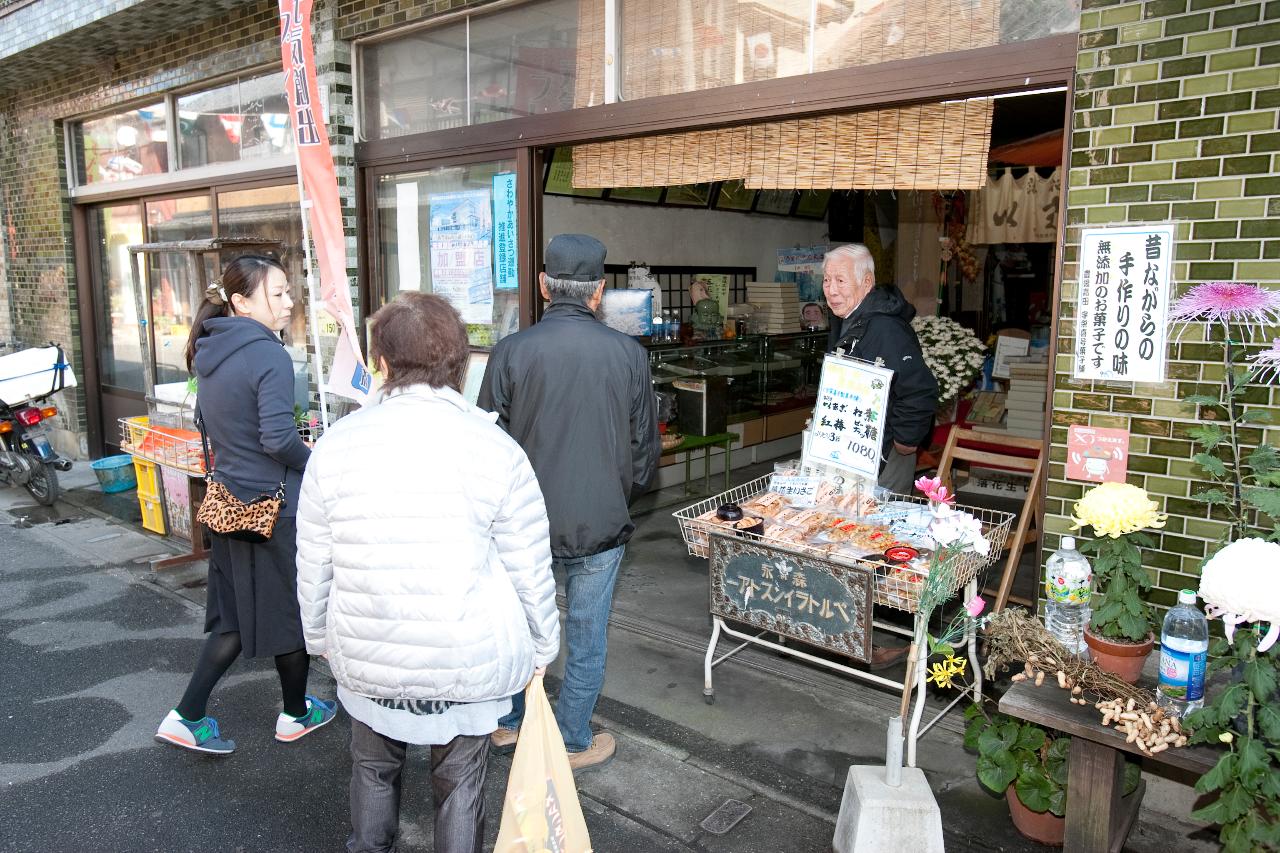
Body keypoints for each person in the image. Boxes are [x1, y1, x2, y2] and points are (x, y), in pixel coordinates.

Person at [296, 293, 560, 853]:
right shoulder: (495, 447)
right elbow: (528, 562)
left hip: (370, 650)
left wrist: (317, 634)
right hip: (467, 652)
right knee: (461, 781)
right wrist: (543, 641)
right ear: (460, 366)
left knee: (371, 768)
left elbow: (315, 559)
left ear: (381, 365)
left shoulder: (335, 447)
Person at [479, 233, 660, 773]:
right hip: (599, 522)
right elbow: (645, 451)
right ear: (599, 291)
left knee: (518, 628)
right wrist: (615, 488)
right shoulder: (628, 354)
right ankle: (573, 739)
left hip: (523, 526)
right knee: (586, 632)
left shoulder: (511, 351)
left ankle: (509, 725)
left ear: (543, 285)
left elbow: (489, 444)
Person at [155, 254, 335, 755]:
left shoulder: (211, 350)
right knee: (288, 612)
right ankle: (296, 713)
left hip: (230, 502)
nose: (288, 301)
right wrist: (316, 461)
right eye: (277, 293)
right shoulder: (268, 354)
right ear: (241, 301)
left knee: (233, 616)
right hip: (274, 507)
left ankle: (187, 714)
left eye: (287, 291)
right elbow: (278, 438)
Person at [823, 244, 938, 495]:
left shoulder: (886, 328)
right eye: (826, 280)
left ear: (866, 282)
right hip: (853, 448)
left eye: (840, 280)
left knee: (879, 528)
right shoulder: (847, 320)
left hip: (885, 453)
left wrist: (905, 441)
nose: (831, 290)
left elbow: (920, 389)